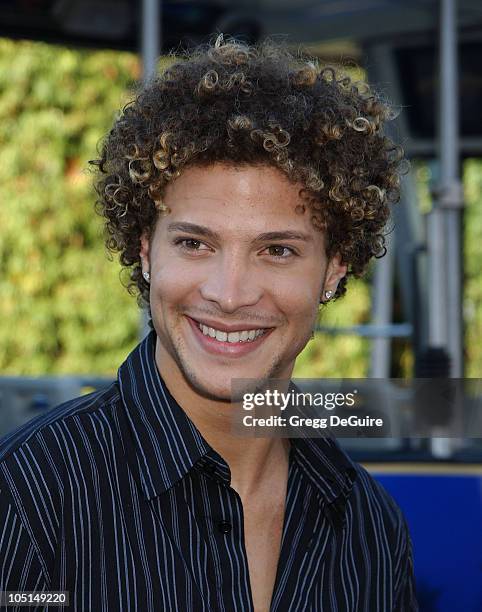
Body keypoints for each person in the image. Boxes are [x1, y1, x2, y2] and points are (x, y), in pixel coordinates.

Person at [0, 35, 418, 611]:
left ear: (333, 269)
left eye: (277, 250)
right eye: (195, 243)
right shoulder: (33, 493)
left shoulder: (367, 523)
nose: (229, 294)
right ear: (146, 251)